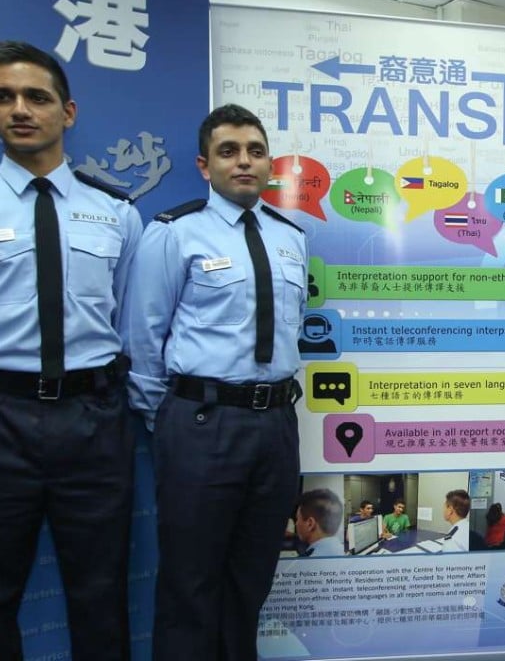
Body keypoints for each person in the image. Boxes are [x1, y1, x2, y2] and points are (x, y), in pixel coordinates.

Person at [122, 103, 307, 660]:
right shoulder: (174, 233)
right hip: (202, 424)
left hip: (275, 428)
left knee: (251, 580)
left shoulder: (291, 237)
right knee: (190, 584)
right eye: (229, 151)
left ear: (269, 163)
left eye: (254, 150)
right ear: (206, 166)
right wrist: (176, 420)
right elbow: (142, 337)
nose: (243, 161)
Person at [0, 40, 141, 661]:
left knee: (100, 590)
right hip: (3, 416)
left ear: (70, 112)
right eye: (4, 98)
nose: (19, 109)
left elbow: (131, 323)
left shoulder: (115, 213)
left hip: (95, 420)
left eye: (36, 97)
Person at [295, 489, 344, 557]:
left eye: (297, 519)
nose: (296, 524)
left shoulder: (309, 563)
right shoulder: (340, 548)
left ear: (310, 524)